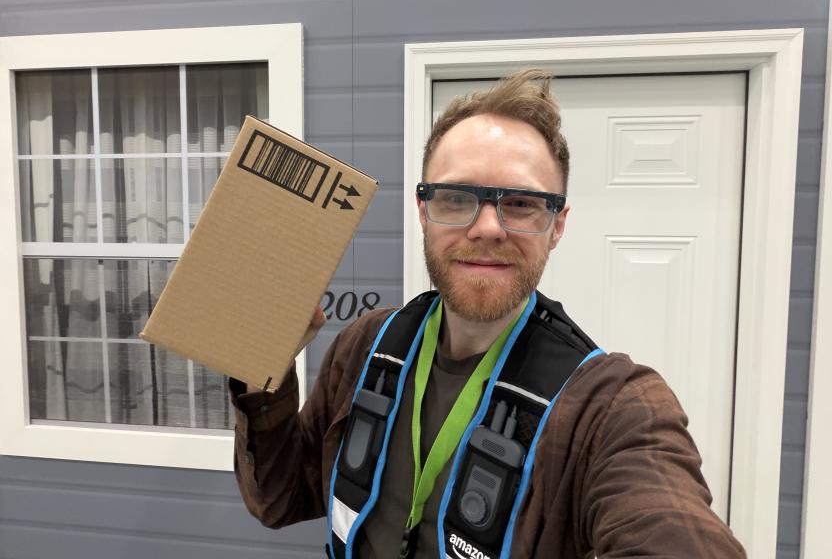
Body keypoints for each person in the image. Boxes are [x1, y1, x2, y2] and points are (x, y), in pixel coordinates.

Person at [230, 69, 747, 558]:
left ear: (558, 224)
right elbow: (280, 499)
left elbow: (668, 526)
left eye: (521, 204)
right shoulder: (368, 344)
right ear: (423, 212)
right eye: (456, 198)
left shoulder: (611, 406)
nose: (487, 228)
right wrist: (262, 366)